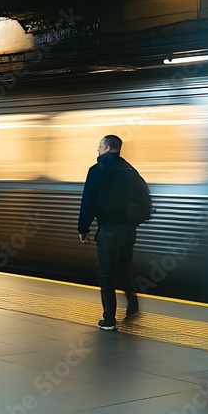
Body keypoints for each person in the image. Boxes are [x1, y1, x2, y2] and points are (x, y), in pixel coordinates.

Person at [77, 134, 142, 331]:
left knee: (106, 274)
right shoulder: (130, 170)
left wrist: (83, 228)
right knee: (123, 267)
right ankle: (133, 306)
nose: (97, 150)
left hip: (108, 230)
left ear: (106, 148)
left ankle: (109, 319)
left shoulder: (97, 170)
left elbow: (88, 201)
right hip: (129, 231)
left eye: (99, 146)